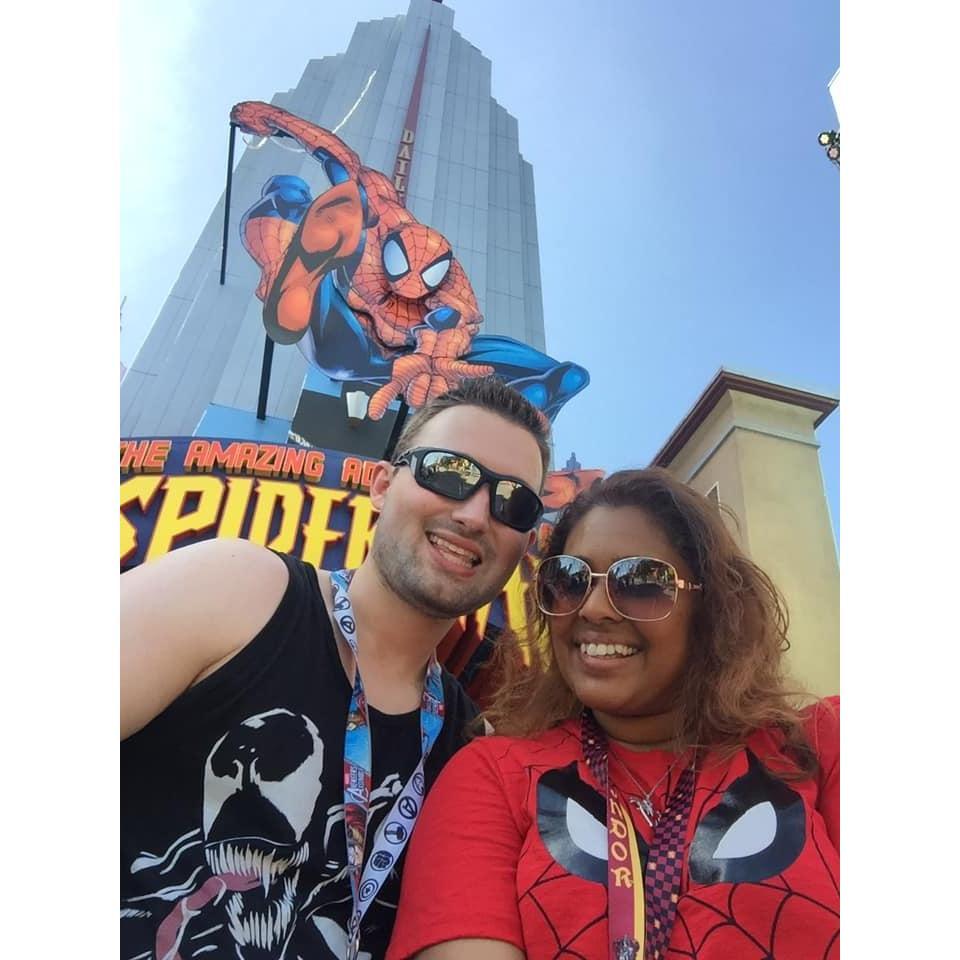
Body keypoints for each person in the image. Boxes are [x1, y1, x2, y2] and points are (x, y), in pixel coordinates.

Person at [120, 376, 550, 960]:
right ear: (382, 485)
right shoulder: (240, 590)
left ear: (524, 543)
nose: (476, 514)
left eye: (513, 502)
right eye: (449, 472)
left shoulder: (474, 753)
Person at [388, 469, 840, 960]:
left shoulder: (822, 743)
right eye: (569, 580)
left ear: (711, 607)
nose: (594, 608)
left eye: (641, 582)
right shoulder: (494, 775)